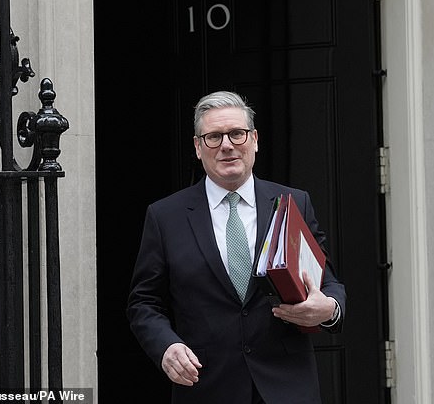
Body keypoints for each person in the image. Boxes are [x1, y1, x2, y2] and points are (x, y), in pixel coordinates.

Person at [126, 90, 346, 404]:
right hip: (206, 387)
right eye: (214, 137)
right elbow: (143, 303)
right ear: (198, 147)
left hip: (287, 387)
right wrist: (166, 348)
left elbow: (329, 283)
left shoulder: (293, 202)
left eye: (237, 134)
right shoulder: (165, 217)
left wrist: (329, 310)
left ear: (254, 139)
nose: (227, 145)